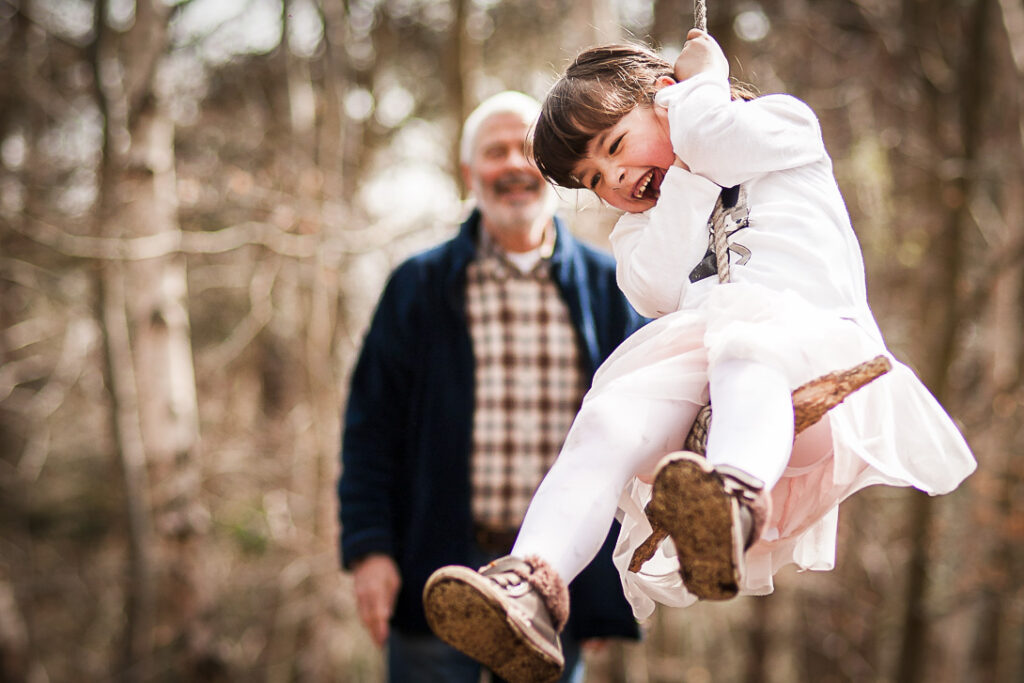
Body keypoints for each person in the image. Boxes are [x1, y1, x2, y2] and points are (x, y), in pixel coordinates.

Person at [422, 30, 976, 683]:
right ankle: (532, 583)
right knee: (608, 414)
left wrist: (703, 82)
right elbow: (656, 287)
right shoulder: (642, 228)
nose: (619, 180)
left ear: (668, 97)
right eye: (595, 180)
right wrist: (681, 177)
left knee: (747, 340)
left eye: (617, 147)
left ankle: (732, 498)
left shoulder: (779, 125)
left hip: (809, 370)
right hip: (712, 380)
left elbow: (716, 140)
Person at [338, 91, 645, 683]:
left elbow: (635, 435)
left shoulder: (612, 287)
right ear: (469, 172)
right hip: (435, 574)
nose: (513, 164)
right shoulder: (417, 286)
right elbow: (369, 429)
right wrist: (370, 550)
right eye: (494, 151)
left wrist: (612, 583)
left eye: (527, 149)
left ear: (552, 166)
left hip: (553, 584)